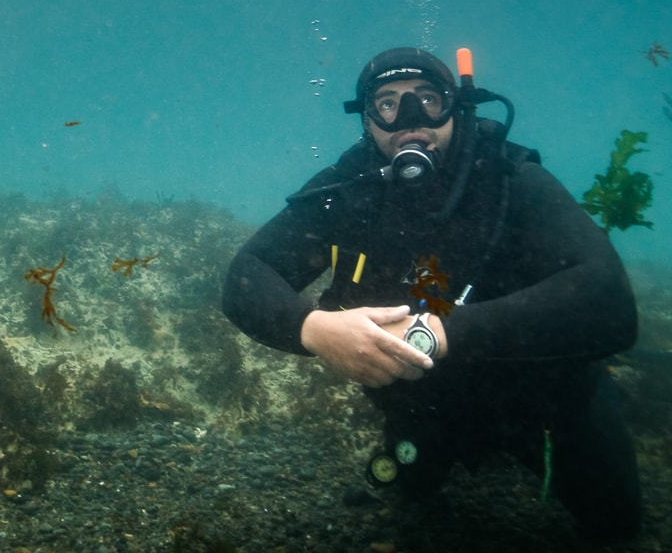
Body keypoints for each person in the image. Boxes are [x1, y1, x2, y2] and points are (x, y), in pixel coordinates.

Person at [222, 46, 642, 542]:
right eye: (388, 104)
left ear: (457, 107)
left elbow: (609, 300)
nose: (410, 119)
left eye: (428, 99)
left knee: (617, 525)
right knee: (413, 497)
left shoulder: (511, 179)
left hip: (544, 400)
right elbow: (247, 275)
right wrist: (313, 329)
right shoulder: (349, 188)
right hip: (426, 406)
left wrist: (440, 334)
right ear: (367, 121)